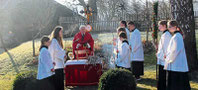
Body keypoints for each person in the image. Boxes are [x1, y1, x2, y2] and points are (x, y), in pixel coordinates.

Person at [164, 20, 191, 90]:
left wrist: (169, 59)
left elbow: (175, 51)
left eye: (170, 27)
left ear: (175, 27)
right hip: (175, 64)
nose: (169, 28)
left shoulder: (177, 37)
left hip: (176, 64)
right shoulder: (175, 36)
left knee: (177, 84)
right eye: (168, 27)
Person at [49, 26, 66, 90]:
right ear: (57, 32)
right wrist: (63, 53)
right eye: (61, 31)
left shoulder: (58, 41)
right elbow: (54, 52)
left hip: (60, 64)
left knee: (61, 81)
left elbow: (59, 51)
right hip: (56, 65)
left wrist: (63, 54)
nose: (62, 33)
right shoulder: (54, 41)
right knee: (58, 82)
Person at [156, 20, 172, 90]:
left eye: (160, 26)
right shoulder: (164, 34)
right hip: (162, 58)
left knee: (163, 76)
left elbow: (165, 49)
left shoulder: (166, 35)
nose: (158, 27)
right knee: (161, 75)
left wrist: (159, 55)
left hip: (164, 59)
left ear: (164, 26)